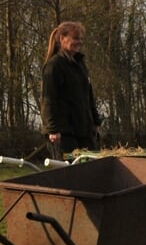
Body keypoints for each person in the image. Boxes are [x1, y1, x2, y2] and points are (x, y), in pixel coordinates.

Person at [39, 21, 102, 159]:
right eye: (75, 38)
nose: (79, 42)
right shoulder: (54, 66)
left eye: (81, 39)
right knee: (70, 174)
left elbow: (88, 95)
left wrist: (96, 121)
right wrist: (53, 130)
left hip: (84, 130)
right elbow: (48, 100)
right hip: (64, 133)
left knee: (93, 169)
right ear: (62, 38)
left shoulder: (80, 65)